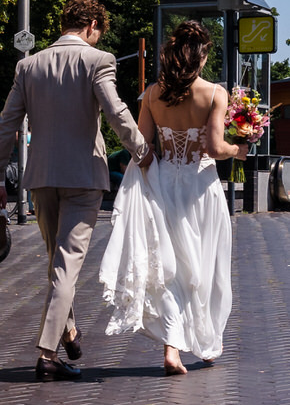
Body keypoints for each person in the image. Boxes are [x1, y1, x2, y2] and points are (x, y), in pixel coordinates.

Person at [0, 0, 149, 382]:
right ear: (92, 25)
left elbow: (6, 123)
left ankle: (70, 331)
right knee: (66, 264)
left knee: (58, 264)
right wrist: (142, 151)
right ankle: (47, 354)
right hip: (83, 177)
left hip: (41, 177)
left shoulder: (29, 66)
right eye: (99, 32)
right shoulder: (98, 60)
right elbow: (116, 111)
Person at [98, 20, 246, 375]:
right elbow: (215, 148)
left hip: (164, 183)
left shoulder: (151, 94)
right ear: (200, 56)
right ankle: (206, 341)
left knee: (170, 266)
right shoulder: (215, 94)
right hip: (200, 187)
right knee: (205, 265)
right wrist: (238, 150)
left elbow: (142, 145)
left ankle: (172, 347)